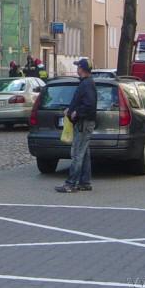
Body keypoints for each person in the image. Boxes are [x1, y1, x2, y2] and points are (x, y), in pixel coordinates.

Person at [55, 58, 96, 193]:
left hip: (83, 123)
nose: (77, 69)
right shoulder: (86, 83)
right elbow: (83, 102)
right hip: (84, 122)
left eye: (78, 67)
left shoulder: (86, 84)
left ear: (82, 69)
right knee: (84, 153)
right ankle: (85, 182)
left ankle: (71, 184)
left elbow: (88, 105)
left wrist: (76, 113)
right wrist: (71, 109)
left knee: (78, 153)